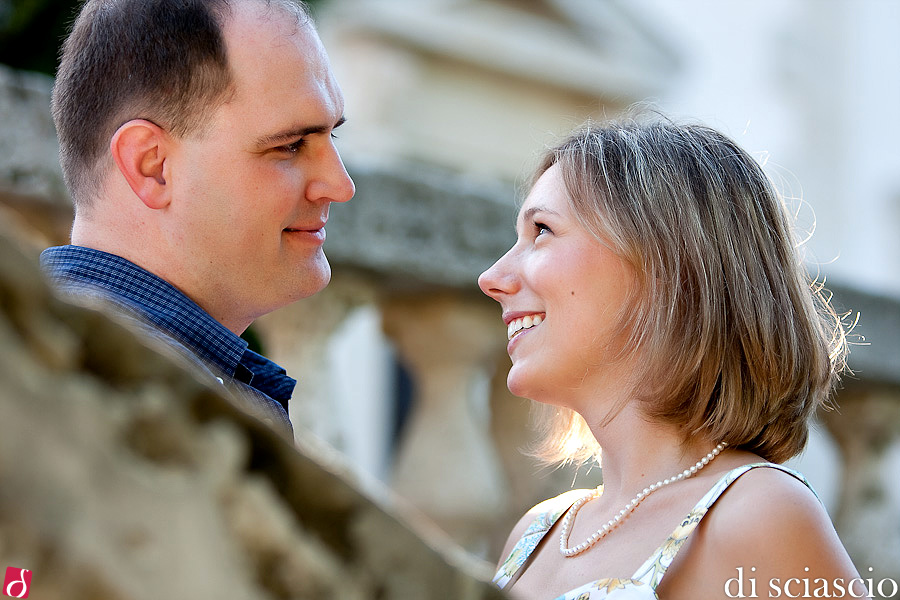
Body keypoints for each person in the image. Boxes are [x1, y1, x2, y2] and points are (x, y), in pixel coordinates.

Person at [478, 119, 864, 599]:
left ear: (666, 266)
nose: (492, 277)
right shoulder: (536, 534)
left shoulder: (758, 513)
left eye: (541, 231)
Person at [41, 0, 354, 435]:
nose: (341, 186)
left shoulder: (74, 374)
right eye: (292, 144)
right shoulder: (108, 409)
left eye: (332, 134)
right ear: (152, 165)